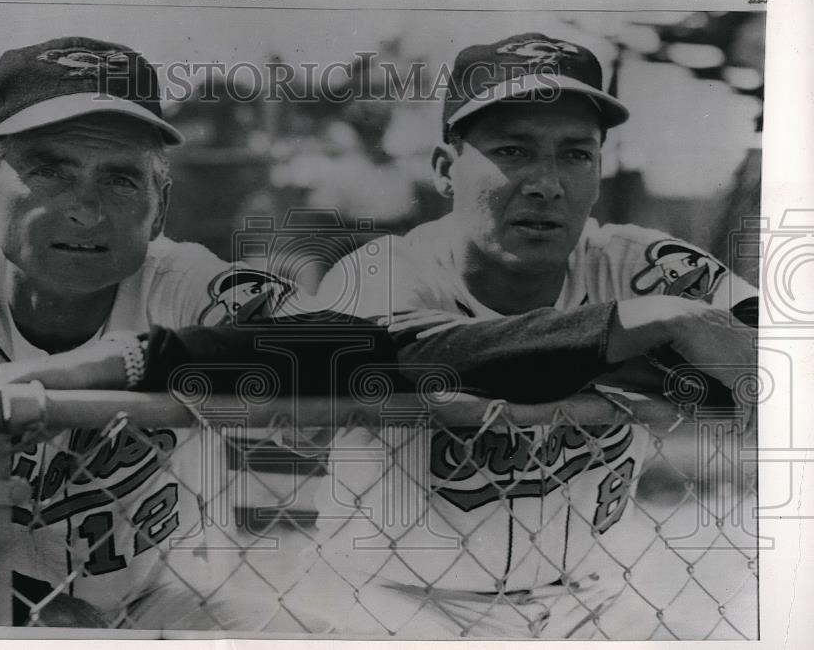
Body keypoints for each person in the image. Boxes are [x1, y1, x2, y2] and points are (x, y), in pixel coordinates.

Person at [0, 36, 320, 631]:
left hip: (151, 595)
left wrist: (95, 369)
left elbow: (332, 344)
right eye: (50, 172)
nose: (86, 210)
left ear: (159, 206)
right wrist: (22, 608)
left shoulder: (181, 281)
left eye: (119, 179)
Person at [308, 33, 760, 638]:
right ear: (446, 169)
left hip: (581, 598)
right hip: (386, 600)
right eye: (514, 151)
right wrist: (654, 329)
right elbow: (418, 359)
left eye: (576, 154)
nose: (547, 183)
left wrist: (687, 338)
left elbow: (782, 353)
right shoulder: (380, 271)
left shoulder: (634, 264)